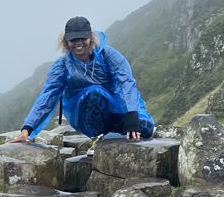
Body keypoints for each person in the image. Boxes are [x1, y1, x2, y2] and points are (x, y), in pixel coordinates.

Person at [10, 16, 154, 143]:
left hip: (115, 111)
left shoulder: (108, 55)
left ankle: (115, 131)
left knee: (145, 129)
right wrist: (27, 129)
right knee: (94, 93)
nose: (78, 43)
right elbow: (48, 97)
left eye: (82, 38)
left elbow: (125, 83)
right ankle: (99, 137)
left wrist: (131, 115)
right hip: (84, 115)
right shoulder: (63, 65)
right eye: (73, 39)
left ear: (90, 38)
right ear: (66, 41)